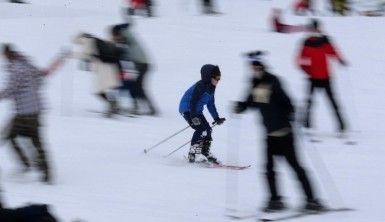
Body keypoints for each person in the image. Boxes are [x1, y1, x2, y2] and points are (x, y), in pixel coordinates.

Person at [233, 52, 324, 212]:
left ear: (263, 66)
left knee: (295, 167)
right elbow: (253, 102)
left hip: (284, 133)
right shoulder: (255, 83)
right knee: (268, 169)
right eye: (253, 67)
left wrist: (289, 115)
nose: (255, 69)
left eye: (258, 66)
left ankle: (312, 200)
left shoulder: (272, 81)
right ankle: (275, 200)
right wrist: (241, 106)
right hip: (269, 135)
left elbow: (288, 103)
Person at [0, 44, 52, 183]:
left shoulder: (16, 68)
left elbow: (10, 89)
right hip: (36, 109)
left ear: (7, 54)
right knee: (37, 141)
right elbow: (40, 80)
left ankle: (26, 163)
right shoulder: (28, 64)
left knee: (7, 135)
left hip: (23, 112)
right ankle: (47, 173)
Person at [297, 19, 347, 134]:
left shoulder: (325, 40)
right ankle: (307, 125)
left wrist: (340, 60)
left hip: (326, 77)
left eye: (317, 27)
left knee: (333, 102)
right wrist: (307, 70)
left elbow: (333, 52)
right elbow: (300, 59)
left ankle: (342, 126)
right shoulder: (306, 42)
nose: (316, 29)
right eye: (313, 27)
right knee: (309, 102)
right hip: (313, 78)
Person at [179, 64, 225, 164]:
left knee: (208, 129)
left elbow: (210, 104)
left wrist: (216, 118)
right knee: (200, 129)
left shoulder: (212, 88)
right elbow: (193, 102)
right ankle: (193, 154)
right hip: (187, 109)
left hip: (197, 110)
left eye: (219, 78)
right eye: (216, 78)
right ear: (209, 77)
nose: (218, 80)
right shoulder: (200, 86)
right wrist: (194, 116)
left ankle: (205, 152)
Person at [111, 23, 158, 116]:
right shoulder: (127, 42)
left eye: (116, 36)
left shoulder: (128, 37)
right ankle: (145, 107)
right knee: (136, 87)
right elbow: (124, 54)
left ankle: (148, 108)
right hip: (141, 65)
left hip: (143, 65)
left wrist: (122, 27)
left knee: (137, 87)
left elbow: (121, 31)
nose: (116, 39)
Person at [73, 33, 122, 117]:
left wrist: (70, 54)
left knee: (98, 91)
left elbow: (85, 55)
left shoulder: (87, 41)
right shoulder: (96, 40)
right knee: (106, 88)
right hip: (108, 68)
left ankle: (112, 106)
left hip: (102, 69)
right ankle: (114, 105)